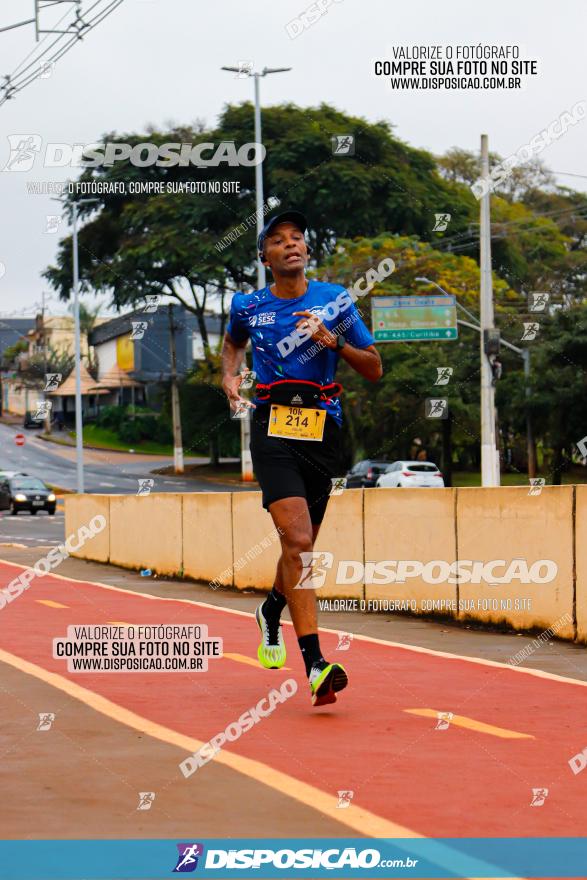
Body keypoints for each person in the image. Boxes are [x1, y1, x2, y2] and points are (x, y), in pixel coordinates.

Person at [221, 210, 382, 706]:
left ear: (307, 251)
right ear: (264, 255)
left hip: (323, 430)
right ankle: (315, 664)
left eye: (298, 239)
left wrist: (333, 342)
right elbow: (232, 346)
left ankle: (272, 608)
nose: (290, 245)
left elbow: (375, 368)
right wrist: (230, 376)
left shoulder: (336, 301)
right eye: (278, 240)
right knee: (299, 540)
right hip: (272, 426)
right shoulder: (248, 306)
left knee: (299, 548)